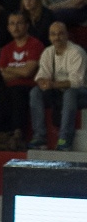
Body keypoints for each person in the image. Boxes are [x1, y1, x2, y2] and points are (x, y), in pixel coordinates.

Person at [29, 21, 87, 151]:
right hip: (57, 92)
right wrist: (43, 82)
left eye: (60, 34)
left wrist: (52, 84)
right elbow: (41, 75)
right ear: (49, 37)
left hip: (80, 94)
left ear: (67, 35)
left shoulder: (77, 52)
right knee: (35, 92)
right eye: (53, 34)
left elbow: (77, 82)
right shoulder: (47, 52)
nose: (57, 37)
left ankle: (65, 138)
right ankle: (39, 138)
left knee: (70, 92)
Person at [0, 10, 44, 132]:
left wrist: (10, 69)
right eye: (12, 24)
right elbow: (1, 75)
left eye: (19, 23)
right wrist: (19, 71)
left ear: (27, 26)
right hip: (9, 87)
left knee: (17, 93)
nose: (15, 27)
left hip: (29, 86)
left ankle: (18, 134)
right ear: (8, 28)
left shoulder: (35, 44)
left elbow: (28, 72)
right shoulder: (6, 49)